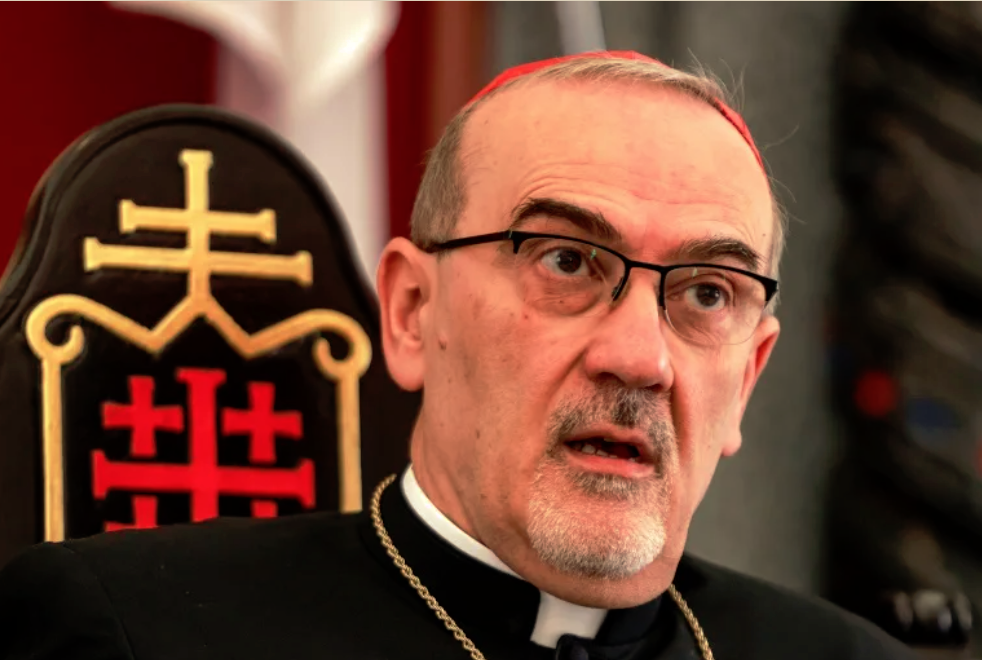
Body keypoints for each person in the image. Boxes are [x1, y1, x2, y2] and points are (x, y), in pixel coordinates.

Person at [0, 51, 915, 660]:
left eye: (707, 293)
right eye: (566, 261)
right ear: (411, 313)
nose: (640, 358)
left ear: (748, 377)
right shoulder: (131, 634)